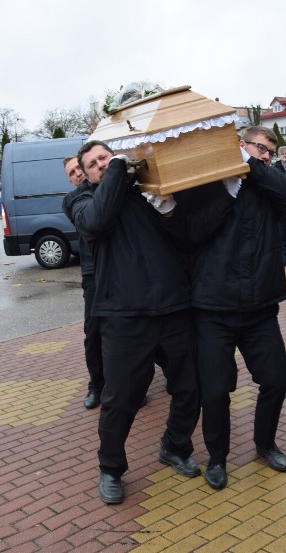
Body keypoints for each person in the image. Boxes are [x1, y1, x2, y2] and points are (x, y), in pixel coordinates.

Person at [173, 126, 286, 490]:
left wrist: (253, 167)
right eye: (258, 148)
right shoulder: (211, 182)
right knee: (215, 391)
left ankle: (265, 443)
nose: (265, 155)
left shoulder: (267, 182)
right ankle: (217, 458)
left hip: (260, 307)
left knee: (277, 381)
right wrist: (227, 193)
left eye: (269, 151)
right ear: (240, 145)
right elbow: (191, 232)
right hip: (214, 308)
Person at [68, 141, 201, 504]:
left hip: (173, 308)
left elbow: (187, 238)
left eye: (105, 158)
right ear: (87, 174)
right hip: (124, 316)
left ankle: (175, 446)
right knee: (120, 398)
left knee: (191, 387)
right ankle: (110, 468)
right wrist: (115, 171)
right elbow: (96, 222)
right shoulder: (81, 201)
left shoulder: (146, 191)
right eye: (93, 164)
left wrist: (171, 210)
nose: (100, 165)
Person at [62, 157, 102, 409]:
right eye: (72, 172)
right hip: (93, 273)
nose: (78, 174)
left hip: (123, 269)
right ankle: (97, 386)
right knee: (94, 333)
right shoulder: (75, 199)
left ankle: (133, 383)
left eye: (80, 168)